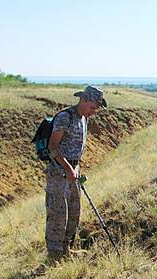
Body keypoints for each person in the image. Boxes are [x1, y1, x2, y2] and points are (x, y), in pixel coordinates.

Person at [45, 85, 107, 259]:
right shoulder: (66, 117)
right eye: (93, 107)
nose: (94, 112)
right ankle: (54, 256)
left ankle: (67, 250)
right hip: (59, 173)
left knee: (74, 211)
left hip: (74, 170)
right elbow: (52, 147)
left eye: (96, 108)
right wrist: (68, 168)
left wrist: (75, 169)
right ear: (83, 100)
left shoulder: (83, 118)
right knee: (58, 214)